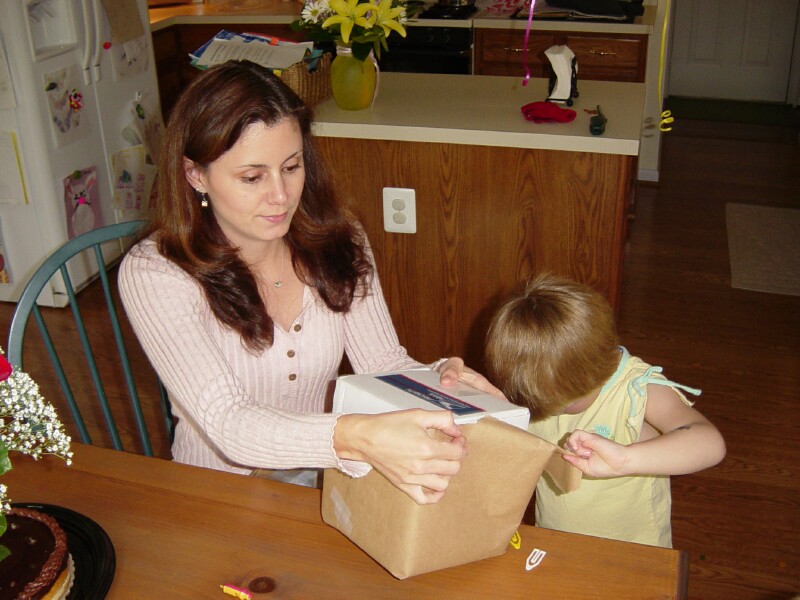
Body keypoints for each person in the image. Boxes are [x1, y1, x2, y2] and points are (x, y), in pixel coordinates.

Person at [118, 60, 493, 505]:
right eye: (252, 177)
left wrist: (439, 380)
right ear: (195, 175)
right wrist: (355, 438)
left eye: (291, 166)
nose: (281, 196)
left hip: (323, 477)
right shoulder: (155, 273)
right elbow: (228, 421)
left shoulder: (339, 240)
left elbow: (382, 362)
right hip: (218, 494)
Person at [484, 273, 726, 547]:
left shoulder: (636, 389)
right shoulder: (536, 385)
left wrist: (625, 459)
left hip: (632, 548)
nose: (550, 412)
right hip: (557, 538)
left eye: (561, 404)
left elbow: (710, 443)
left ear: (592, 375)